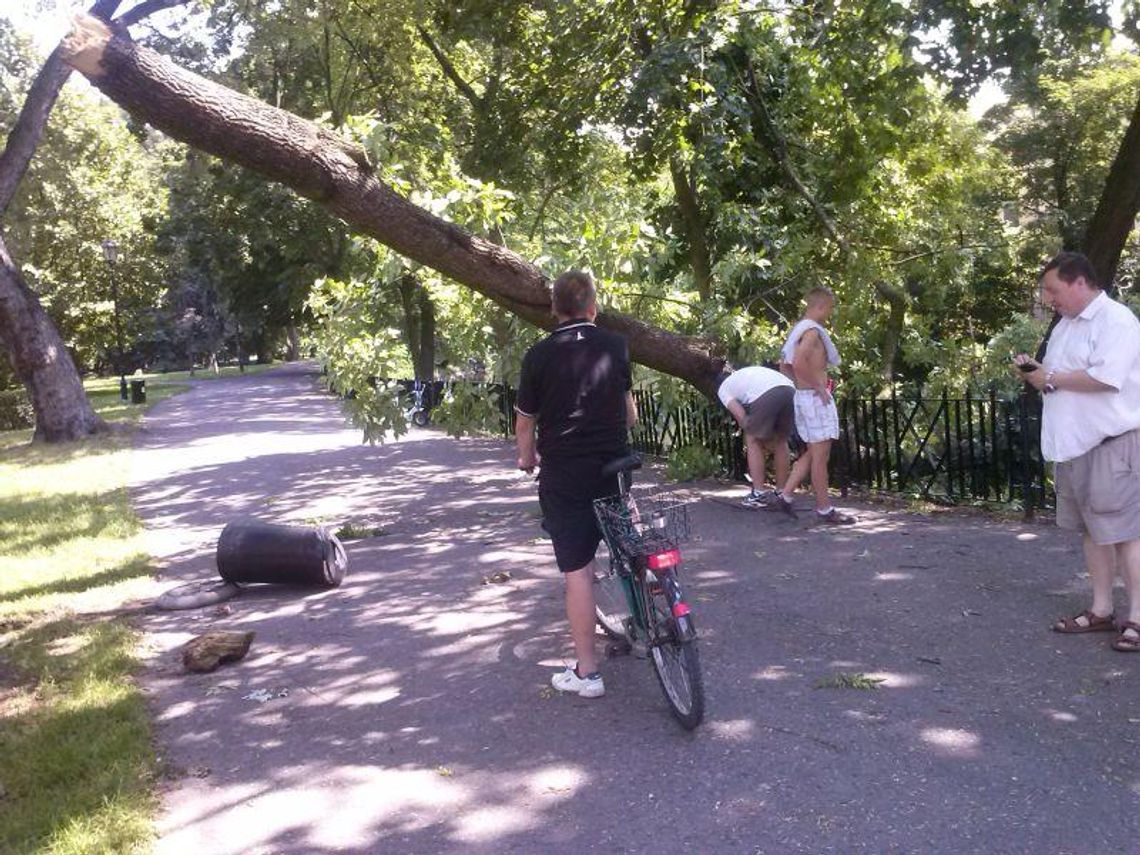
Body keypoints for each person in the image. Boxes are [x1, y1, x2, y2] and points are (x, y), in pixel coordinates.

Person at [515, 270, 638, 697]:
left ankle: (588, 672)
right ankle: (655, 616)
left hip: (565, 473)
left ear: (554, 309)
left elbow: (526, 422)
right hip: (613, 464)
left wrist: (526, 459)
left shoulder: (538, 355)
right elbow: (630, 412)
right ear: (593, 306)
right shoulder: (616, 346)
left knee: (579, 573)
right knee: (628, 541)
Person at [1013, 251, 1140, 651]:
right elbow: (1059, 379)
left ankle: (1137, 618)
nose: (1050, 298)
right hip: (1075, 447)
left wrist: (1050, 375)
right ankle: (1102, 611)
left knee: (1127, 534)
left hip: (1111, 444)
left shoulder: (1115, 320)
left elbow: (1106, 377)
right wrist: (1038, 374)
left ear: (1080, 282)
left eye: (1053, 290)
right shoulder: (1066, 325)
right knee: (1092, 531)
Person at [771, 286, 855, 524]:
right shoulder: (811, 332)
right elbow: (797, 363)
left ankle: (786, 495)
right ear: (820, 306)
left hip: (805, 397)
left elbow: (784, 365)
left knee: (813, 452)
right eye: (830, 308)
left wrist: (803, 386)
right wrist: (817, 387)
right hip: (815, 399)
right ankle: (824, 509)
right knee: (821, 456)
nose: (830, 312)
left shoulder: (797, 331)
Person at [716, 365, 795, 507]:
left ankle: (759, 494)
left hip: (766, 394)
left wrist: (755, 435)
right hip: (789, 389)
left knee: (752, 440)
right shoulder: (743, 375)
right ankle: (782, 492)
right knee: (781, 441)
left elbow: (742, 418)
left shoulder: (723, 389)